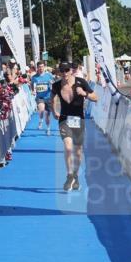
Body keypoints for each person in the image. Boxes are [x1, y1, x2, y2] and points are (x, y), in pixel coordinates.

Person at [52, 62, 98, 191]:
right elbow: (52, 98)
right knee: (67, 147)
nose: (65, 73)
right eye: (62, 71)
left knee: (77, 151)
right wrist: (54, 110)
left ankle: (76, 176)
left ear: (71, 70)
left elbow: (96, 97)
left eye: (67, 70)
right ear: (59, 72)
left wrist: (85, 93)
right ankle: (69, 175)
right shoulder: (56, 85)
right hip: (64, 119)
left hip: (78, 119)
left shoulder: (81, 82)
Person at [31, 62, 55, 134]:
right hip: (40, 97)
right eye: (39, 67)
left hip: (48, 97)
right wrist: (33, 90)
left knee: (47, 115)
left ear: (44, 67)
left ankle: (48, 128)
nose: (41, 68)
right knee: (41, 110)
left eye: (42, 67)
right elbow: (32, 84)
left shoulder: (49, 75)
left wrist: (51, 84)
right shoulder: (34, 77)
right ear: (37, 68)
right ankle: (41, 120)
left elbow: (54, 84)